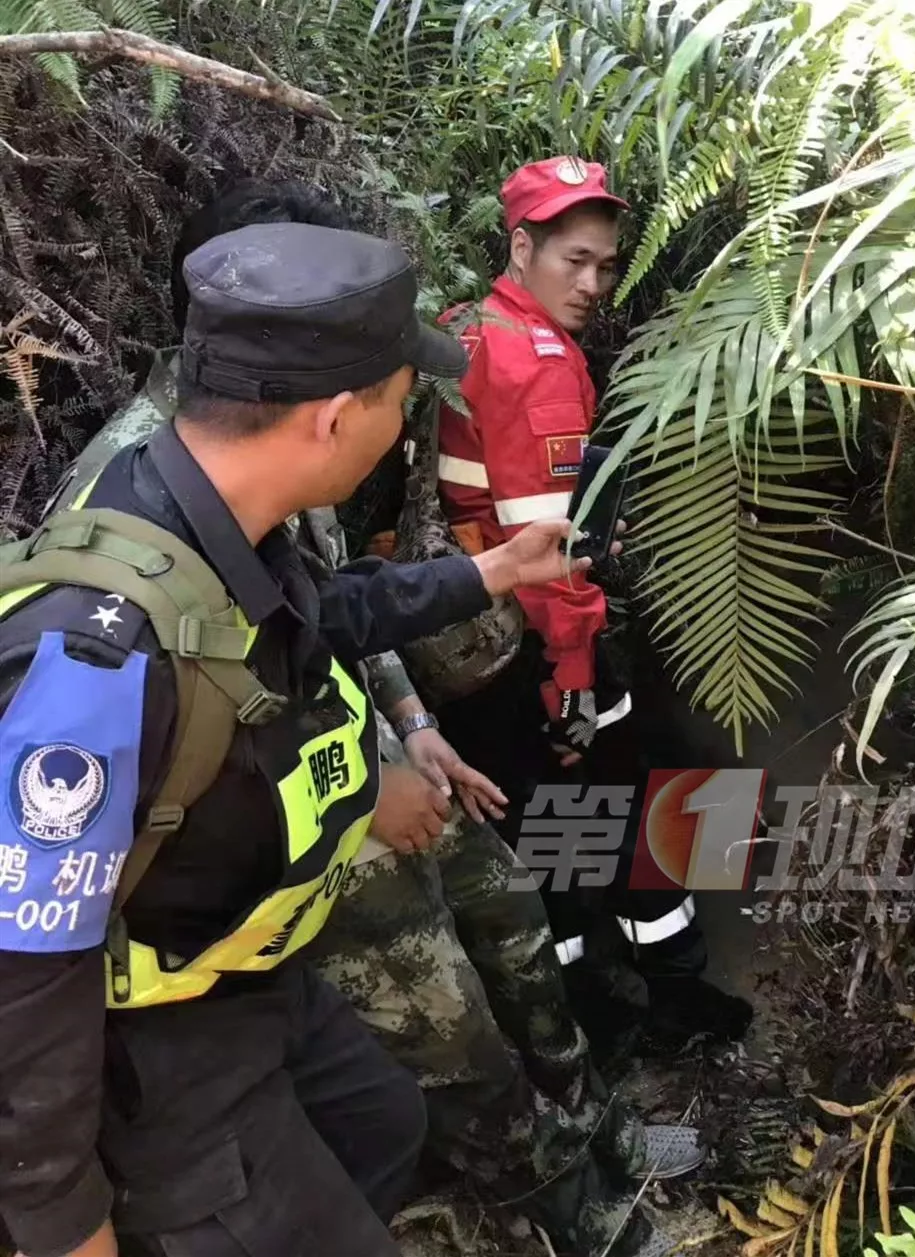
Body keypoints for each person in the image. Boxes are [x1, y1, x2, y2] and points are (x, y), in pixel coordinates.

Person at [27, 183, 704, 1257]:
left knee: (490, 943)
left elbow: (319, 608)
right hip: (232, 927)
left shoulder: (238, 460)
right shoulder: (102, 616)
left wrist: (448, 649)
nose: (406, 427)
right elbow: (31, 961)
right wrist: (65, 1227)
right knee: (449, 1030)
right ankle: (571, 1210)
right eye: (397, 399)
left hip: (320, 839)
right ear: (334, 413)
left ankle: (582, 1132)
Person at [432, 157, 704, 1007]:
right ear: (522, 247)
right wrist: (574, 673)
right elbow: (548, 549)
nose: (592, 284)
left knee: (531, 817)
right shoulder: (537, 361)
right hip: (535, 636)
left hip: (467, 627)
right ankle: (679, 989)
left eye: (606, 265)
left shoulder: (463, 325)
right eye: (573, 260)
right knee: (622, 799)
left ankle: (581, 990)